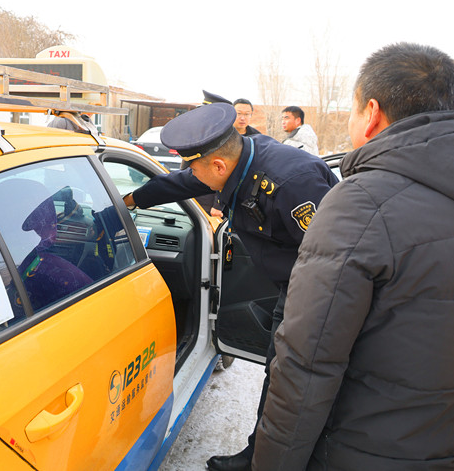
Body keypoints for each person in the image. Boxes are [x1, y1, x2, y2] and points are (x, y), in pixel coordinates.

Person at [252, 42, 454, 471]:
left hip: (359, 454)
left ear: (372, 113)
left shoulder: (361, 203)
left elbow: (307, 364)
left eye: (352, 109)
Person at [121, 102, 339, 471]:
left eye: (195, 168)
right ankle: (259, 454)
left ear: (219, 167)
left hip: (320, 294)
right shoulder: (234, 160)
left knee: (294, 383)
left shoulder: (293, 182)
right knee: (280, 377)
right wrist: (129, 200)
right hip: (295, 283)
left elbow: (336, 261)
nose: (193, 175)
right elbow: (183, 182)